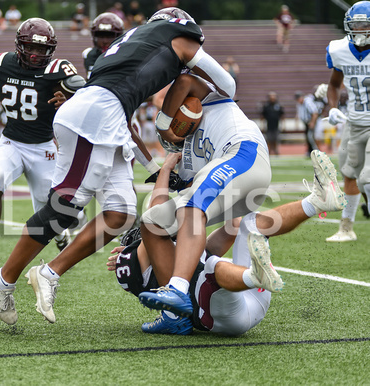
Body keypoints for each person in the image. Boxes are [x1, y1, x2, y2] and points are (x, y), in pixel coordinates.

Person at [0, 7, 237, 326]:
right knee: (63, 207)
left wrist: (171, 113)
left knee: (120, 214)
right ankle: (3, 280)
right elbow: (229, 85)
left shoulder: (135, 39)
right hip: (96, 117)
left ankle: (49, 272)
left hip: (107, 118)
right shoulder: (178, 38)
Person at [108, 149, 346, 335]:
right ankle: (254, 276)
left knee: (250, 225)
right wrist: (166, 168)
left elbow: (232, 228)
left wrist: (227, 185)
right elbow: (154, 216)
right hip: (220, 316)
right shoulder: (147, 257)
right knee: (208, 267)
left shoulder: (187, 253)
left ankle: (316, 202)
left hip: (247, 300)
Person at [0, 18, 84, 276]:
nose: (36, 55)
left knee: (46, 207)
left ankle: (59, 237)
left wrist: (69, 98)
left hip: (44, 146)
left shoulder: (59, 69)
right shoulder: (3, 63)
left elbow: (85, 92)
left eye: (42, 50)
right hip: (12, 141)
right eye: (31, 48)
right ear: (19, 46)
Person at [137, 72, 271, 319]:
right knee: (153, 222)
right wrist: (166, 168)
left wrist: (163, 124)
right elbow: (176, 208)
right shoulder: (189, 158)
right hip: (235, 179)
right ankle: (174, 315)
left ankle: (177, 288)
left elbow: (185, 82)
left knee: (190, 205)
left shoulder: (213, 98)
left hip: (244, 153)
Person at [323, 1, 370, 242]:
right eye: (356, 25)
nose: (360, 30)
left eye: (365, 25)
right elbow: (333, 83)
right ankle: (346, 228)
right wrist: (332, 108)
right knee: (350, 174)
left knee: (367, 178)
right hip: (354, 121)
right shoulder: (339, 49)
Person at [82, 12, 125, 78]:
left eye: (110, 36)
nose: (105, 41)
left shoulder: (126, 56)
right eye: (101, 36)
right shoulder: (88, 54)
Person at [295, 90, 320, 155]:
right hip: (306, 122)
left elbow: (315, 113)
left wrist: (312, 122)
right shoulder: (299, 104)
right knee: (307, 137)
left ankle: (316, 150)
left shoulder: (308, 102)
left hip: (310, 121)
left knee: (310, 136)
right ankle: (310, 151)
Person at [261, 91, 284, 155]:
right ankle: (270, 151)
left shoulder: (278, 105)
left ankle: (276, 150)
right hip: (269, 126)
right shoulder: (266, 106)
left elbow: (282, 115)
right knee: (269, 139)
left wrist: (283, 125)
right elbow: (262, 116)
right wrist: (262, 125)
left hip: (276, 125)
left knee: (276, 139)